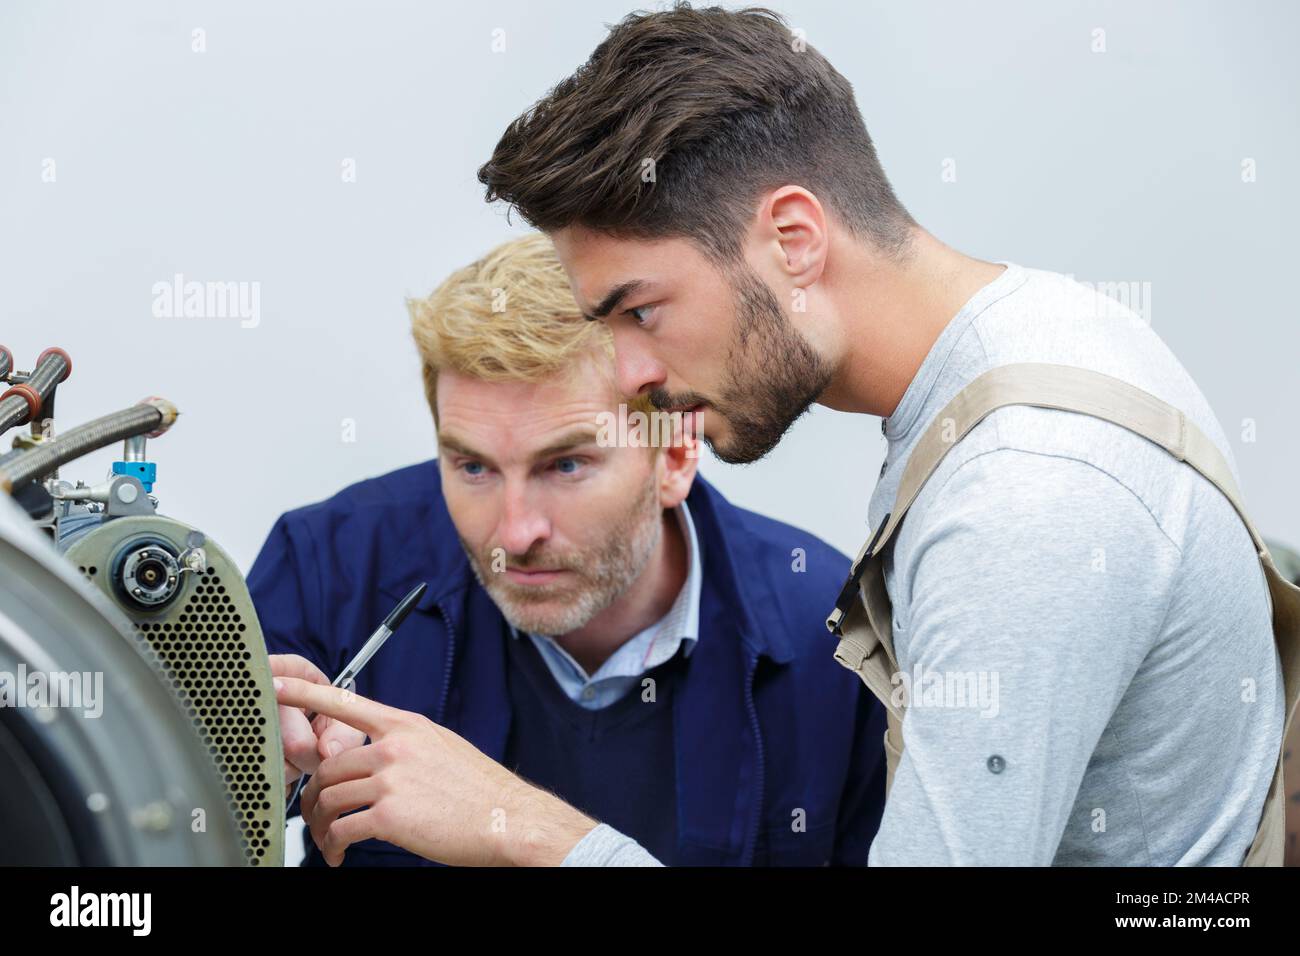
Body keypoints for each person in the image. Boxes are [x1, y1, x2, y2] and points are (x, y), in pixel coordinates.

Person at [276, 3, 1294, 866]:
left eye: (639, 310)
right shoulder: (1045, 337)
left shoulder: (1022, 497)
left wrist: (536, 832)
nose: (631, 373)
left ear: (793, 240)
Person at [254, 233, 887, 866]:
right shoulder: (328, 566)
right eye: (473, 467)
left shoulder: (832, 641)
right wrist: (248, 771)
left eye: (565, 465)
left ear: (674, 456)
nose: (514, 533)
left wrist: (521, 827)